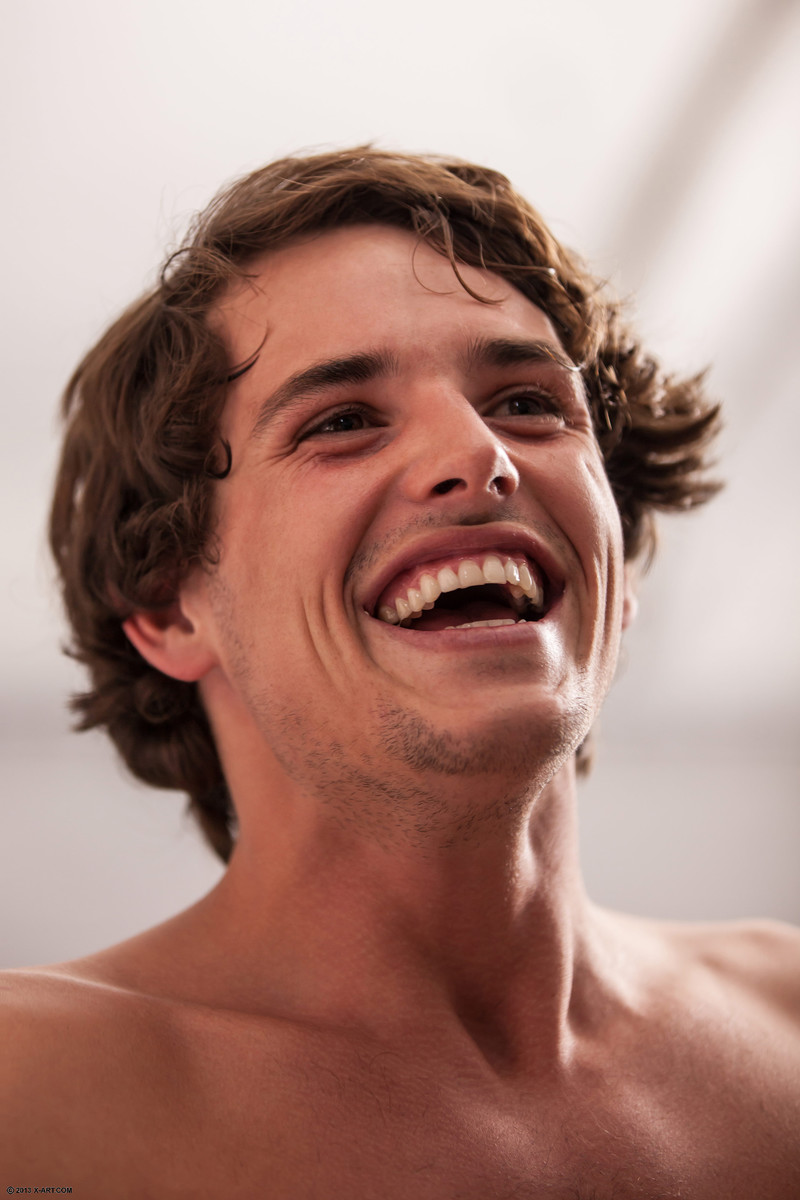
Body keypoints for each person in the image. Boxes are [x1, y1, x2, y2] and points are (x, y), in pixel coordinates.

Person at [2, 147, 798, 1197]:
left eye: (527, 401)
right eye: (341, 422)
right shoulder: (29, 1099)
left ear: (621, 554)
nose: (478, 455)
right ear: (165, 604)